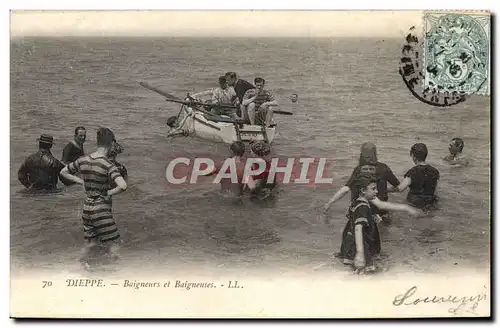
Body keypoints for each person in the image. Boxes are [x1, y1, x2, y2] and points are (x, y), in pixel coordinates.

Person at [59, 128, 128, 265]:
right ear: (110, 144)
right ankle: (116, 273)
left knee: (91, 244)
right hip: (101, 209)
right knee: (114, 244)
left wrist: (81, 181)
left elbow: (63, 172)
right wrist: (107, 193)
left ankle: (77, 267)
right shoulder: (108, 165)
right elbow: (123, 186)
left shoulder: (83, 160)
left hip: (87, 209)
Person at [323, 142, 405, 222]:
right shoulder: (384, 168)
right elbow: (398, 187)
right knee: (383, 232)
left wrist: (329, 203)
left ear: (362, 154)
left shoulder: (359, 169)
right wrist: (385, 190)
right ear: (375, 153)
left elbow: (346, 189)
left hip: (362, 209)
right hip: (380, 210)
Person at [390, 143, 440, 211]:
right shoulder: (435, 171)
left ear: (413, 156)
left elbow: (400, 189)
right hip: (430, 204)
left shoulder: (413, 172)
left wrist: (385, 190)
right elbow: (435, 191)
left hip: (414, 204)